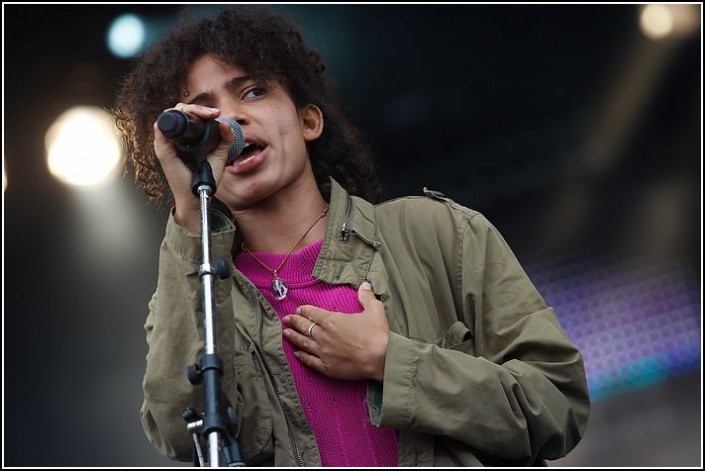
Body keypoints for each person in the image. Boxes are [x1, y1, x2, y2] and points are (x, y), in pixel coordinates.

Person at [114, 5, 590, 467]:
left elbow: (557, 405)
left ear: (308, 120)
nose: (229, 120)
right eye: (204, 112)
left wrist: (390, 362)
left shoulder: (439, 233)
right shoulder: (198, 293)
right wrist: (188, 217)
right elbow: (179, 433)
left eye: (254, 91)